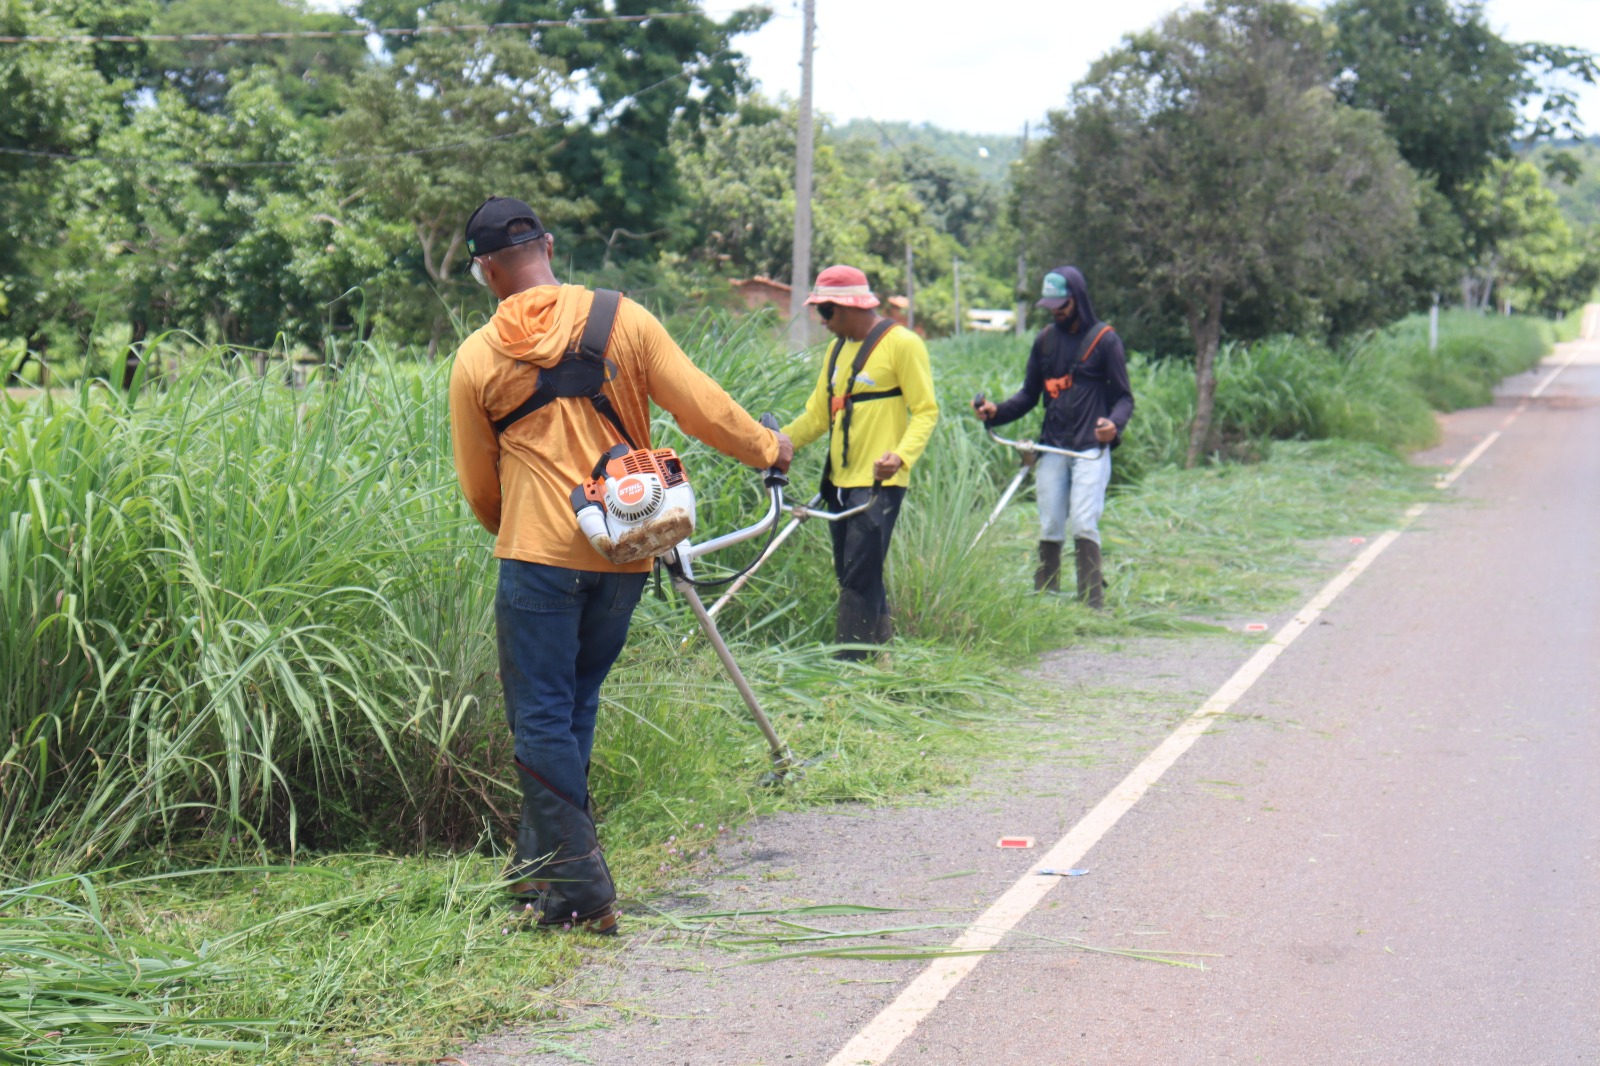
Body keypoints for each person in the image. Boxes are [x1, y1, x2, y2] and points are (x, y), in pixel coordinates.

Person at [449, 196, 793, 934]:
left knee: (541, 716)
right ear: (547, 246)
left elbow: (480, 487)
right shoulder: (623, 319)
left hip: (537, 559)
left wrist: (522, 531)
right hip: (624, 554)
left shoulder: (477, 355)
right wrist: (771, 447)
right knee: (574, 706)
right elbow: (703, 408)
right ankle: (539, 871)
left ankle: (581, 893)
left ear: (486, 271)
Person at [782, 265, 939, 657]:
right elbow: (817, 417)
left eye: (825, 311)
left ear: (849, 306)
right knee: (853, 572)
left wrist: (900, 457)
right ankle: (882, 656)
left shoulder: (903, 344)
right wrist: (775, 444)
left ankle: (848, 667)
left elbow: (925, 411)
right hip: (838, 482)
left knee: (857, 574)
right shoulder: (836, 351)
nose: (822, 320)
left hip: (878, 484)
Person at [974, 266, 1133, 608]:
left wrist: (1113, 425)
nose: (1056, 311)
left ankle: (1091, 604)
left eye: (1062, 304)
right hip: (1052, 447)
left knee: (1084, 522)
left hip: (1090, 449)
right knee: (1050, 524)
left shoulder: (1105, 340)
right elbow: (1029, 396)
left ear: (1078, 298)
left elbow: (1124, 398)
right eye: (1051, 306)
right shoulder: (1045, 341)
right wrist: (995, 412)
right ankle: (1045, 603)